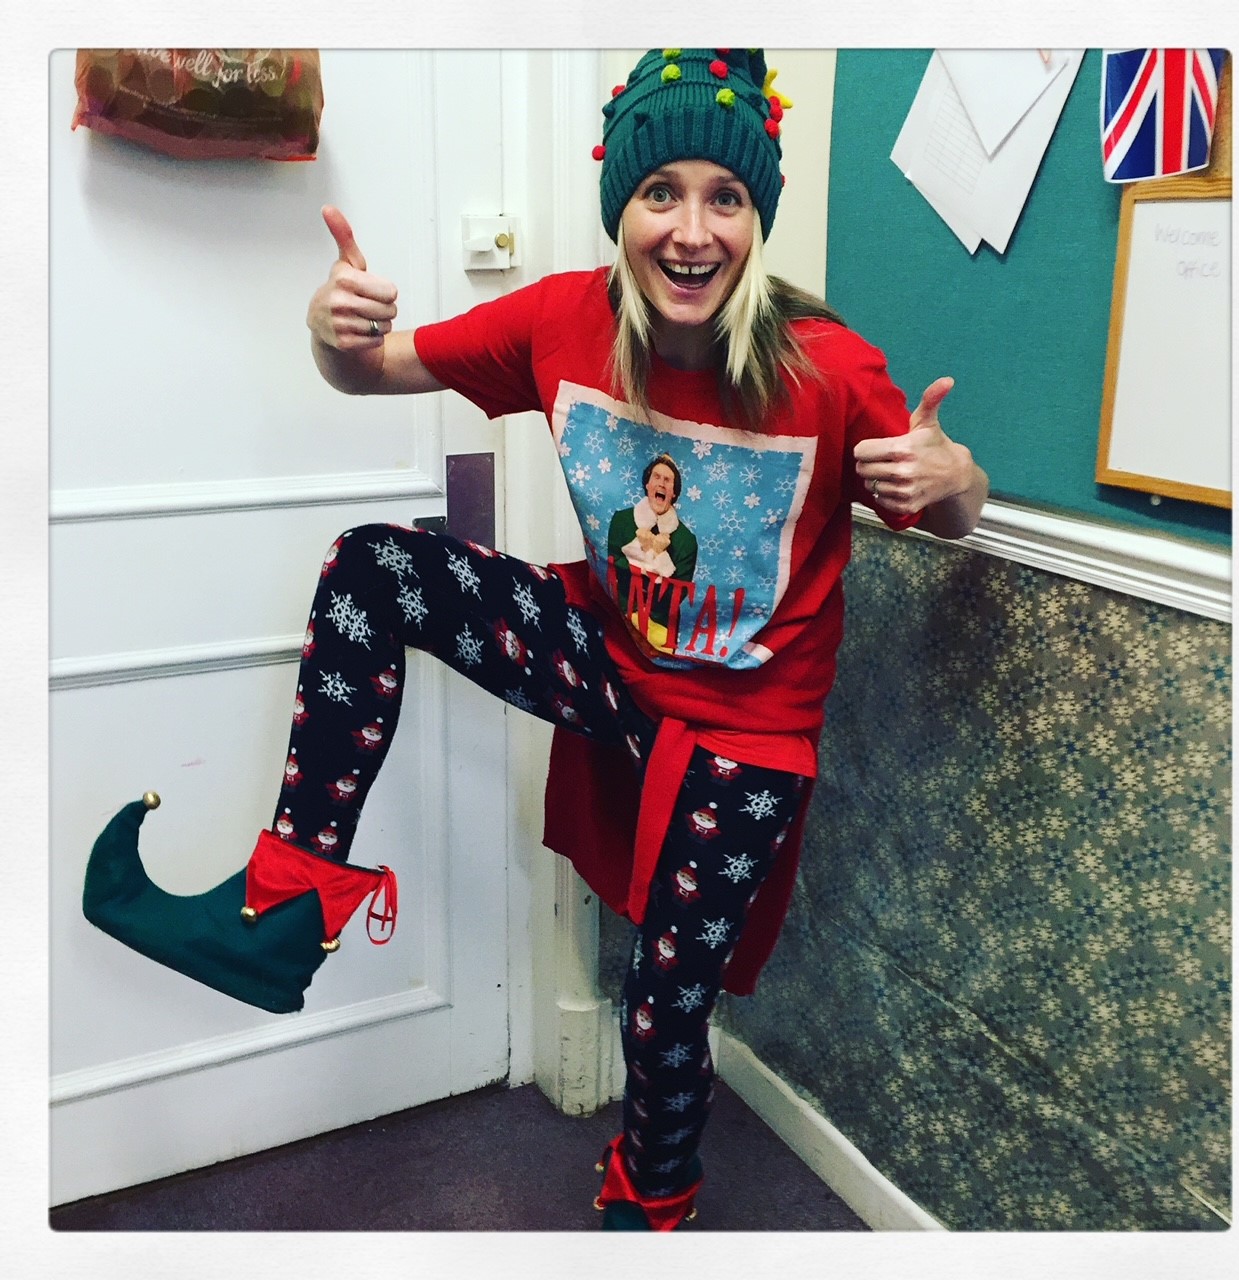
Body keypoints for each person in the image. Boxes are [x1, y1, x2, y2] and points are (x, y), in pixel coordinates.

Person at [83, 48, 988, 1231]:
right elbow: (367, 371)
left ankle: (648, 1205)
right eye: (660, 192)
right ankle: (281, 909)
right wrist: (328, 333)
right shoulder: (563, 319)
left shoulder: (824, 366)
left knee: (663, 1000)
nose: (691, 230)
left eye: (724, 197)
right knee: (372, 566)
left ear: (754, 217)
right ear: (621, 205)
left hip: (749, 731)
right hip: (610, 661)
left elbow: (950, 508)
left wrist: (955, 479)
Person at [607, 453, 698, 654]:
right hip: (621, 616)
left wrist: (659, 556)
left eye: (667, 480)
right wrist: (643, 555)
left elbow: (678, 593)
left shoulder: (686, 541)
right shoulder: (622, 520)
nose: (661, 483)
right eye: (656, 477)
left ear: (674, 492)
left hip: (660, 627)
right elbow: (611, 566)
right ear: (647, 485)